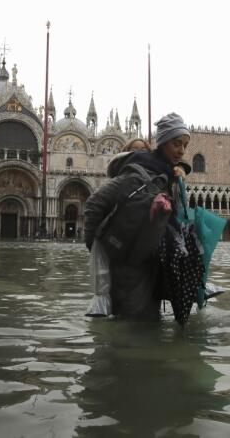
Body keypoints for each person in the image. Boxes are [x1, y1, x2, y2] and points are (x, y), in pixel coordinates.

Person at [84, 113, 191, 320]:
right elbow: (94, 204)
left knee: (148, 325)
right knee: (133, 328)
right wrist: (97, 248)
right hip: (127, 269)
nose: (182, 150)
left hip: (152, 266)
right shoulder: (133, 176)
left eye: (185, 145)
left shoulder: (166, 176)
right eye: (177, 144)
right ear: (163, 143)